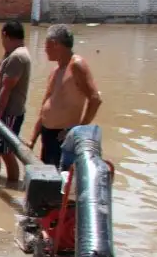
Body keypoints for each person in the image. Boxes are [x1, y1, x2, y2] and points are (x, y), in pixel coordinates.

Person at [29, 24, 102, 168]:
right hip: (47, 135)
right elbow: (45, 107)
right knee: (47, 176)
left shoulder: (76, 65)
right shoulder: (55, 71)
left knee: (61, 178)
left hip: (63, 136)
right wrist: (32, 139)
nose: (45, 50)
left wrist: (76, 132)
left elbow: (95, 99)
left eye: (46, 45)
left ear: (55, 44)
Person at [0, 20, 32, 183]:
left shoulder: (18, 57)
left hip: (8, 114)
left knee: (6, 152)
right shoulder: (10, 54)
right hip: (1, 113)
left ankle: (13, 186)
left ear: (5, 35)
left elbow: (7, 88)